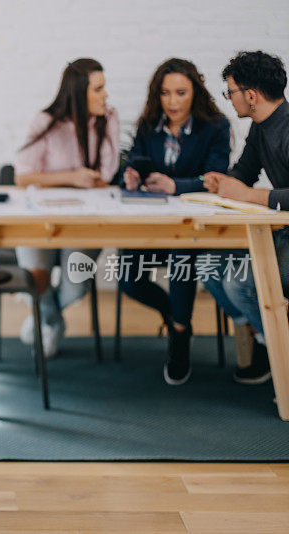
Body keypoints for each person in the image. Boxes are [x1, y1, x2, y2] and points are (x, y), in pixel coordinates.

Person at [120, 58, 231, 385]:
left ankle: (180, 334)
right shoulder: (148, 124)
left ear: (195, 92)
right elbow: (133, 164)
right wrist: (128, 176)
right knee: (128, 277)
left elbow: (217, 177)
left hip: (192, 230)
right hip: (150, 225)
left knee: (180, 256)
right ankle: (174, 317)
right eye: (165, 93)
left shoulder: (215, 127)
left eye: (180, 92)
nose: (172, 102)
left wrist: (176, 186)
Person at [14, 58, 120, 357]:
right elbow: (23, 176)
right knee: (36, 278)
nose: (106, 95)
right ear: (78, 92)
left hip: (85, 220)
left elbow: (107, 174)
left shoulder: (107, 118)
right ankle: (50, 322)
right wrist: (72, 177)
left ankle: (43, 317)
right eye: (98, 89)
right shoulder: (46, 122)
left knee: (76, 285)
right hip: (41, 219)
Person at [201, 50, 289, 385]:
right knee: (207, 266)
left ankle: (280, 348)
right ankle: (269, 338)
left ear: (251, 95)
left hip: (285, 236)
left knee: (239, 282)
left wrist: (249, 195)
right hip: (281, 232)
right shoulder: (261, 128)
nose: (229, 99)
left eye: (231, 92)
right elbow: (244, 172)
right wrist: (224, 183)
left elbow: (250, 191)